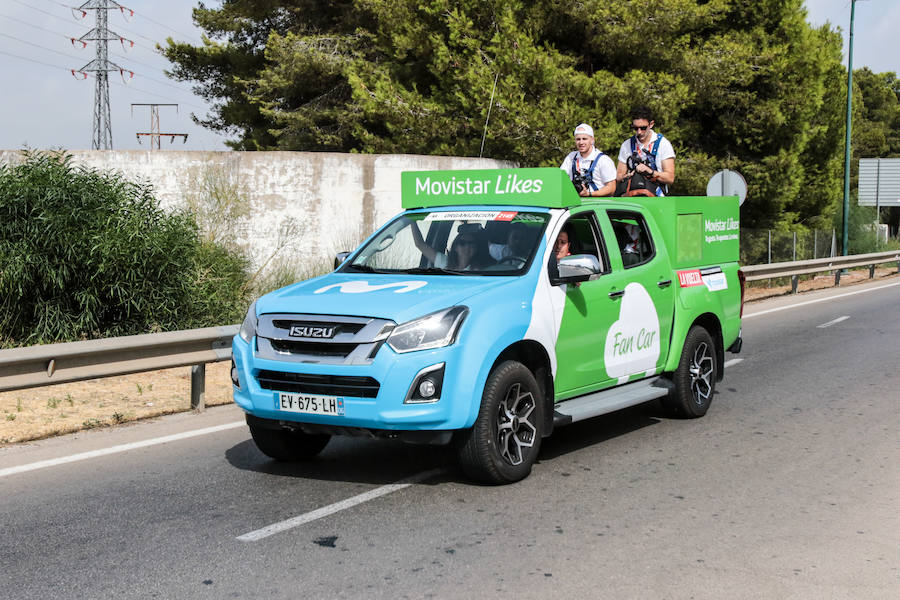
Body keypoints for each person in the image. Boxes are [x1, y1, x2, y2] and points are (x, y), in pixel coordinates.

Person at [615, 106, 675, 196]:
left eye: (643, 128)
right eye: (635, 128)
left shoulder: (663, 144)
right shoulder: (627, 145)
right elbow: (619, 176)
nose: (639, 132)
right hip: (632, 195)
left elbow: (670, 178)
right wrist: (628, 175)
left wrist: (650, 172)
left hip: (656, 196)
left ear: (651, 124)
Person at [560, 123, 616, 198]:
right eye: (578, 139)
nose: (581, 142)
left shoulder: (603, 160)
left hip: (600, 203)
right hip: (577, 203)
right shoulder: (571, 157)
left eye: (584, 139)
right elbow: (561, 179)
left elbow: (611, 188)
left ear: (592, 140)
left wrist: (589, 194)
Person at [411, 222, 489, 270]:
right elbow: (419, 244)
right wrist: (412, 220)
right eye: (462, 243)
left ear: (475, 249)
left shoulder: (479, 271)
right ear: (455, 247)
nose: (467, 247)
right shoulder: (445, 263)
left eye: (471, 243)